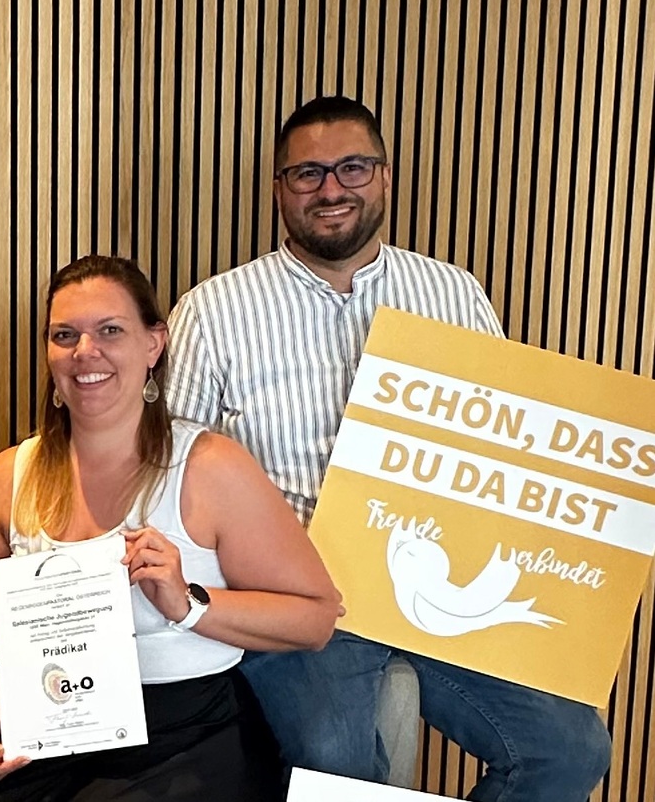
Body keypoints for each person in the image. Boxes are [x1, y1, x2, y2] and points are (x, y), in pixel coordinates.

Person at [165, 95, 612, 799]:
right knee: (334, 758)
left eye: (352, 167)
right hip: (297, 596)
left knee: (572, 748)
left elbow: (505, 450)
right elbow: (173, 480)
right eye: (308, 173)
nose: (331, 189)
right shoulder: (213, 311)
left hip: (438, 585)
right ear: (279, 189)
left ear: (385, 176)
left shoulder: (454, 295)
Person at [0, 255, 339, 802]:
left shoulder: (210, 467)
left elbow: (315, 617)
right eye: (65, 335)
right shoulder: (10, 476)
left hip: (182, 739)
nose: (85, 351)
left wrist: (188, 603)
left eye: (110, 331)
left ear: (154, 344)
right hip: (44, 730)